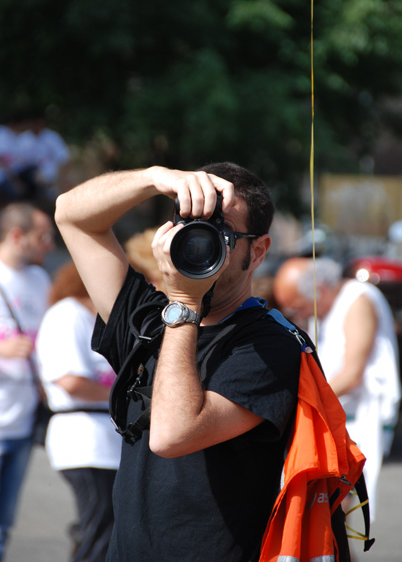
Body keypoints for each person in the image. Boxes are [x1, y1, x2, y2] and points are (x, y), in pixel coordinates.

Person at [54, 162, 318, 562]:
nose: (200, 240)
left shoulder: (270, 345)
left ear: (258, 250)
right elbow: (71, 216)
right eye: (189, 224)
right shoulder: (148, 319)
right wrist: (154, 178)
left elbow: (172, 435)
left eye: (222, 233)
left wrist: (183, 303)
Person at [273, 256, 401, 520]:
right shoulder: (324, 306)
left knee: (332, 515)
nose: (299, 317)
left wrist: (301, 401)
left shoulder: (358, 300)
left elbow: (352, 374)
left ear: (319, 290)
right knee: (327, 516)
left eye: (298, 309)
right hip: (334, 417)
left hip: (357, 421)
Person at [36, 261, 121, 562]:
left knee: (102, 529)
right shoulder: (68, 314)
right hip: (84, 441)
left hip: (103, 441)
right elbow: (71, 381)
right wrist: (128, 397)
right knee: (100, 530)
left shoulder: (96, 317)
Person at [0, 203, 55, 561]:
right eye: (42, 236)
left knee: (4, 523)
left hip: (23, 419)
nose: (49, 244)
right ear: (17, 236)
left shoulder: (40, 280)